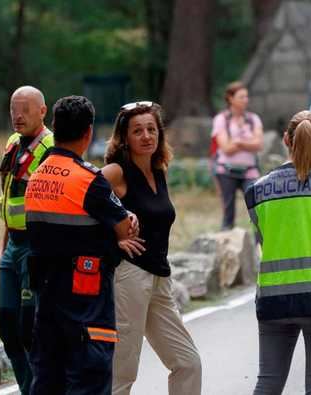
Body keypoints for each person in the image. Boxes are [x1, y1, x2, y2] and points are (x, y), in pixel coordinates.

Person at [25, 95, 143, 395]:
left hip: (46, 297)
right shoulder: (89, 179)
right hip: (86, 300)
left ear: (54, 126)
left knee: (48, 379)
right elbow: (125, 229)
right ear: (88, 133)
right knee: (88, 380)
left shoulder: (36, 176)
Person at [245, 110, 311, 394]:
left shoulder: (256, 191)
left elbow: (264, 237)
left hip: (272, 297)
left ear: (285, 140)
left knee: (268, 381)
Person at [102, 101, 202, 395]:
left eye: (151, 129)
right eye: (137, 131)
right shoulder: (116, 172)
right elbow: (85, 198)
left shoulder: (158, 169)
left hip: (160, 279)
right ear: (125, 137)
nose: (146, 136)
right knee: (123, 370)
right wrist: (116, 237)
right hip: (129, 276)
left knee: (188, 363)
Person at [0, 86, 54, 395]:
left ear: (42, 111)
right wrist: (4, 245)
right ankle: (28, 388)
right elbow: (9, 195)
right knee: (7, 324)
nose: (18, 116)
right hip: (13, 245)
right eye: (13, 109)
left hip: (36, 245)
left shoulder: (51, 147)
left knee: (30, 328)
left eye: (25, 109)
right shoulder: (12, 144)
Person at [211, 81, 264, 230]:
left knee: (257, 207)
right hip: (225, 170)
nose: (245, 100)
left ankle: (259, 246)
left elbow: (259, 144)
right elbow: (226, 148)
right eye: (241, 97)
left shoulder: (254, 119)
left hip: (250, 170)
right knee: (228, 210)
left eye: (246, 97)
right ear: (230, 98)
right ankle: (227, 244)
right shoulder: (221, 119)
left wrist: (238, 142)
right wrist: (247, 142)